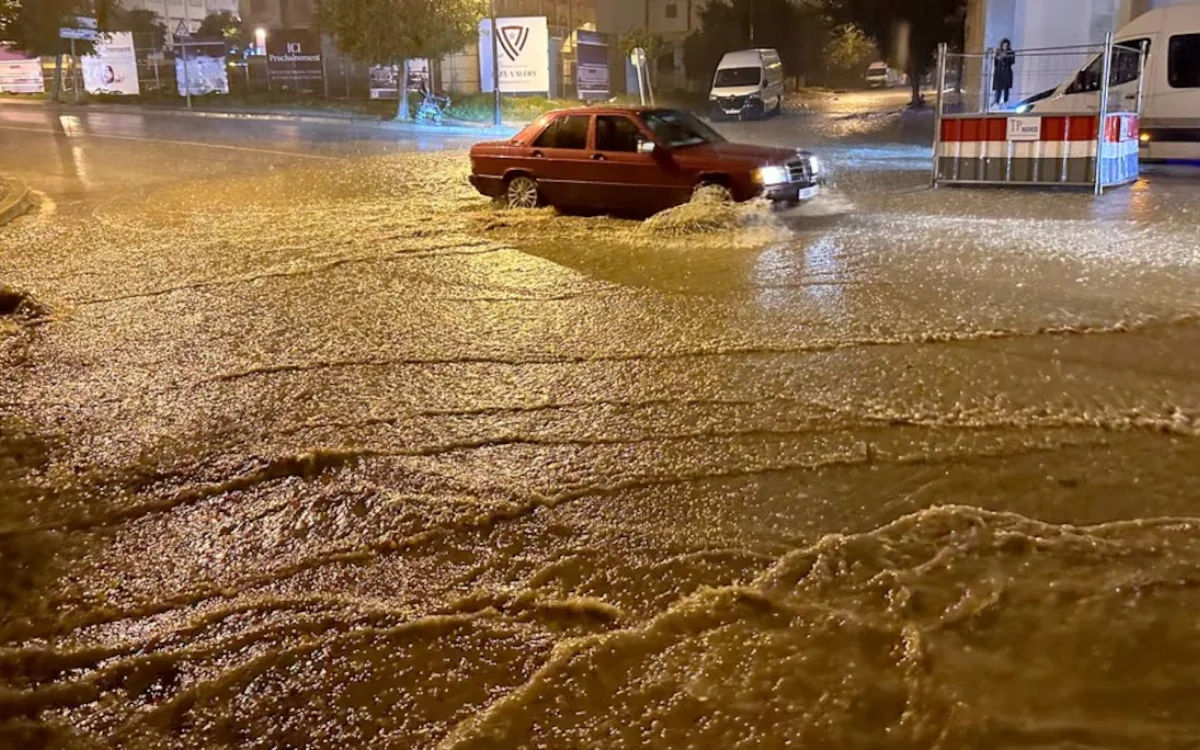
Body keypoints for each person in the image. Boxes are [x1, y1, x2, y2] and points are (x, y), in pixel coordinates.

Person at [994, 39, 1015, 106]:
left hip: (1007, 72)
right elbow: (995, 64)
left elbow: (1012, 62)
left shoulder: (1011, 52)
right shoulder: (998, 52)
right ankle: (996, 102)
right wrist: (998, 58)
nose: (1005, 47)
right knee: (998, 88)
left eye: (1006, 45)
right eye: (1004, 45)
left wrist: (1006, 57)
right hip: (999, 72)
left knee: (1006, 88)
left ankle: (1006, 101)